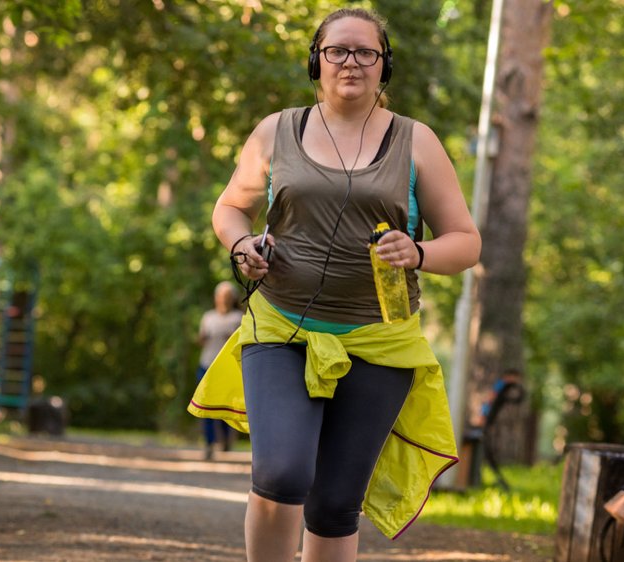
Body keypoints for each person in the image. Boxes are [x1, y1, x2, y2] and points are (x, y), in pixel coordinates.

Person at [188, 7, 481, 562]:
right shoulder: (277, 130)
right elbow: (231, 207)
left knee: (334, 502)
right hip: (281, 327)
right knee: (282, 472)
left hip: (379, 342)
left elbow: (466, 242)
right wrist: (241, 244)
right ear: (315, 61)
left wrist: (418, 251)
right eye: (337, 51)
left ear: (383, 65)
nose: (351, 62)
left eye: (365, 52)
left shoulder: (417, 142)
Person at [196, 281, 243, 460]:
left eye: (228, 296)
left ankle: (226, 439)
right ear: (216, 298)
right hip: (206, 364)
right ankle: (209, 443)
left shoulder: (239, 317)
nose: (224, 299)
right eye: (222, 296)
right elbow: (200, 340)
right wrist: (201, 338)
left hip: (227, 367)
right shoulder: (208, 317)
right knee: (206, 406)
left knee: (224, 406)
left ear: (233, 299)